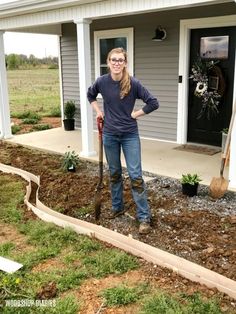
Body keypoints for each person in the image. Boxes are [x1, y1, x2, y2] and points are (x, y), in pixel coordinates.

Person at [87, 47, 159, 234]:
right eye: (113, 60)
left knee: (135, 176)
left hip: (129, 135)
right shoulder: (102, 81)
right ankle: (117, 208)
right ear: (108, 62)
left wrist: (136, 114)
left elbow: (153, 102)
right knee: (114, 173)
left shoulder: (133, 83)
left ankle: (144, 217)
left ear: (125, 63)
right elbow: (90, 95)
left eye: (120, 60)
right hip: (110, 134)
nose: (117, 63)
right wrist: (99, 111)